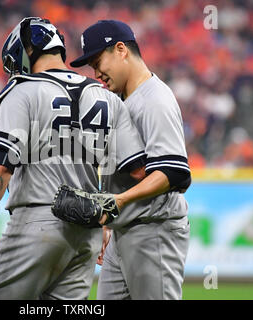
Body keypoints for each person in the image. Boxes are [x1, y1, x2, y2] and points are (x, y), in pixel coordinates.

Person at [0, 17, 146, 299]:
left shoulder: (22, 90)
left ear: (26, 51)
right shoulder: (108, 98)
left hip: (37, 221)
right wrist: (104, 218)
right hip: (87, 233)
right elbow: (138, 171)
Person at [69, 20, 191, 300]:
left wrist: (118, 202)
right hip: (125, 232)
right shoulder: (120, 99)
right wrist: (111, 221)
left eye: (99, 62)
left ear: (121, 49)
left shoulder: (154, 100)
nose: (97, 73)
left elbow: (173, 174)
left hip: (154, 232)